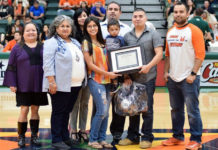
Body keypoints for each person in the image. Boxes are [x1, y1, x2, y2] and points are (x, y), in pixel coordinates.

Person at [118, 8, 163, 149]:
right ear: (132, 19)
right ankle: (132, 136)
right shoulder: (127, 36)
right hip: (132, 78)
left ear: (146, 18)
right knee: (133, 108)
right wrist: (125, 75)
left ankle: (147, 137)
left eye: (140, 16)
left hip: (148, 77)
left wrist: (148, 66)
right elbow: (123, 58)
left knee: (147, 109)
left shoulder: (154, 34)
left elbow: (159, 54)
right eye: (135, 16)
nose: (137, 18)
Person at [162, 2, 205, 150]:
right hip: (173, 78)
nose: (178, 14)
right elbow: (167, 55)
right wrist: (166, 72)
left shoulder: (195, 31)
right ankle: (177, 136)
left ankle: (196, 139)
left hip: (189, 78)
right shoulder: (170, 31)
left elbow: (200, 55)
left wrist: (193, 74)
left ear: (188, 13)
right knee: (175, 110)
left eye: (181, 12)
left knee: (192, 111)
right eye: (176, 12)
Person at [42, 15, 86, 150]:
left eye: (68, 26)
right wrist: (52, 82)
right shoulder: (51, 42)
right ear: (56, 28)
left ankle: (65, 137)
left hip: (76, 84)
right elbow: (47, 64)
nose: (65, 28)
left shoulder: (75, 42)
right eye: (62, 26)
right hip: (59, 85)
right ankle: (56, 139)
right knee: (58, 111)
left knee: (67, 111)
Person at [3, 22, 48, 148]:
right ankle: (21, 136)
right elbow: (11, 66)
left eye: (33, 30)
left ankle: (34, 136)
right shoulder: (17, 48)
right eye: (28, 30)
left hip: (39, 84)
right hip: (23, 84)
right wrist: (12, 83)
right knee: (24, 109)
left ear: (37, 32)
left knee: (35, 109)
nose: (31, 32)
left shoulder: (43, 47)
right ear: (23, 34)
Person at [82, 16, 119, 149]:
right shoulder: (86, 43)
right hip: (95, 80)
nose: (92, 28)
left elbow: (108, 61)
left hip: (108, 80)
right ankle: (93, 139)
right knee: (101, 111)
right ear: (86, 29)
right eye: (89, 26)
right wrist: (107, 74)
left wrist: (113, 75)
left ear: (98, 27)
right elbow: (90, 65)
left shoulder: (102, 41)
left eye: (94, 25)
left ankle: (102, 139)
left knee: (106, 112)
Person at [69, 8, 90, 144]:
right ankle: (73, 130)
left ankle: (83, 129)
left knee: (85, 103)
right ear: (76, 19)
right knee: (75, 104)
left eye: (84, 16)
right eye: (80, 16)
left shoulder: (91, 31)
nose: (82, 18)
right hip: (75, 73)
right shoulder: (72, 34)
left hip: (89, 73)